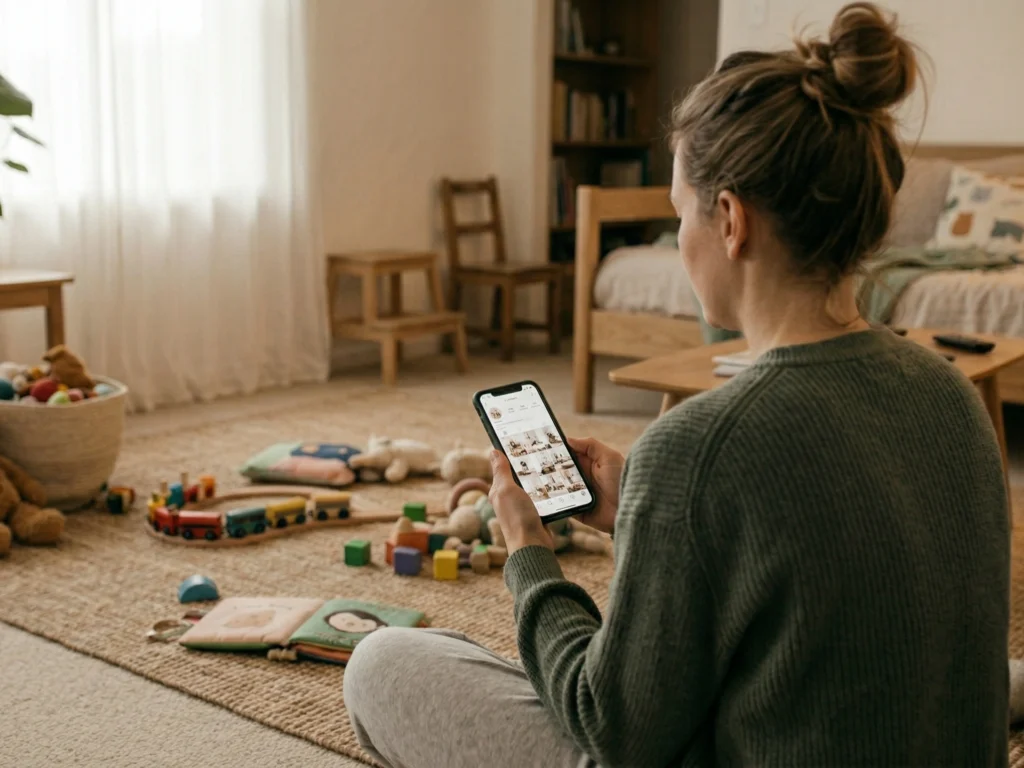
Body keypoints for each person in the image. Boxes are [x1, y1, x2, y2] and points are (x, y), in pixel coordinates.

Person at [343, 3, 1011, 765]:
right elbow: (819, 556)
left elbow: (613, 728)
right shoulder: (953, 396)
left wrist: (528, 549)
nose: (681, 236)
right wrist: (645, 510)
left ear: (730, 221)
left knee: (386, 663)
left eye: (678, 213)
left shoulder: (697, 446)